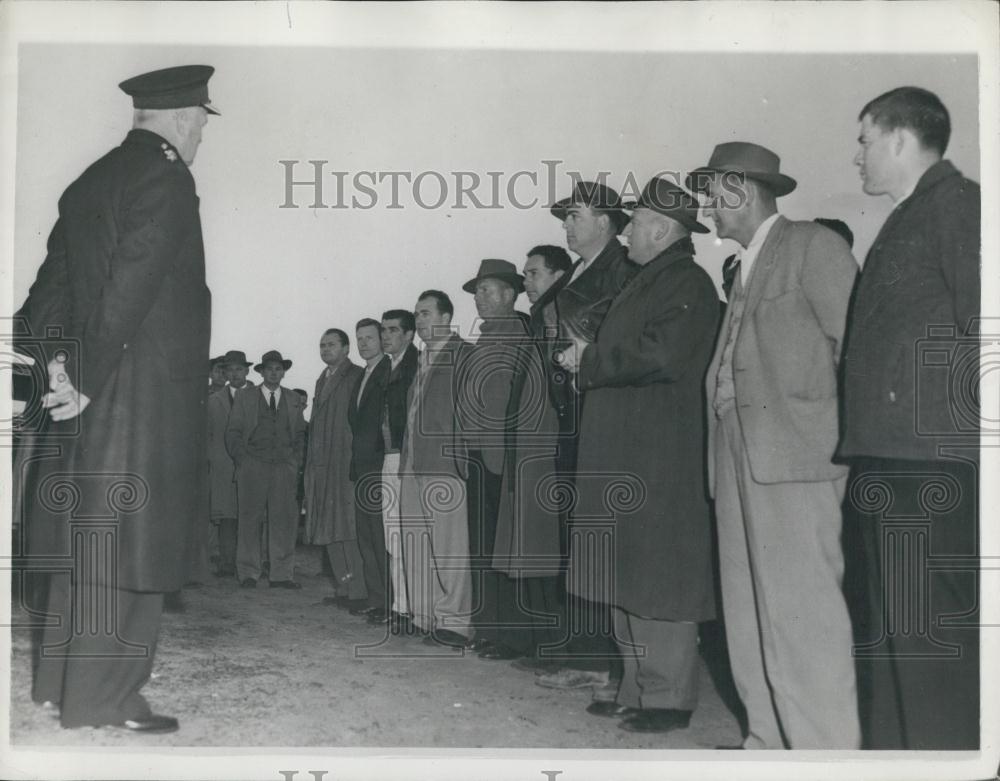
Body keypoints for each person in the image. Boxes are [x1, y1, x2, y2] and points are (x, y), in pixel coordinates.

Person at [16, 64, 218, 733]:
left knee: (80, 543)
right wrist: (90, 377)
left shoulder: (90, 181)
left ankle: (58, 688)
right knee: (132, 547)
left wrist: (54, 372)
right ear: (187, 118)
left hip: (82, 394)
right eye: (200, 126)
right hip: (135, 398)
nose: (199, 139)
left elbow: (45, 297)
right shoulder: (166, 177)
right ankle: (106, 699)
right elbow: (131, 285)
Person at [687, 142, 860, 749]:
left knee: (804, 616)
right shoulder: (745, 266)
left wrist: (836, 448)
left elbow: (854, 353)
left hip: (796, 461)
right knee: (747, 610)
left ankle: (823, 752)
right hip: (735, 456)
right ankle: (767, 743)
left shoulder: (814, 245)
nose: (706, 205)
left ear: (745, 188)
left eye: (713, 191)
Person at [839, 87, 980, 750]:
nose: (857, 154)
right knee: (893, 631)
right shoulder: (911, 213)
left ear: (899, 139)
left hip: (927, 457)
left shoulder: (956, 204)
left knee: (926, 637)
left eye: (864, 138)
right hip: (892, 454)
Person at [558, 177, 719, 734]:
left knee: (658, 577)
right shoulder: (653, 279)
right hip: (628, 451)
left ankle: (668, 698)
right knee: (626, 573)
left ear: (660, 228)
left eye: (634, 223)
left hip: (657, 457)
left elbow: (663, 354)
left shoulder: (687, 282)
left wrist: (590, 360)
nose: (625, 232)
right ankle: (636, 687)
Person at [536, 181, 636, 699]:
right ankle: (584, 652)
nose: (566, 225)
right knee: (576, 537)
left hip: (600, 412)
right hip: (569, 415)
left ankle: (605, 662)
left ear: (606, 221)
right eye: (565, 217)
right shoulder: (577, 273)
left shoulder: (625, 270)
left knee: (597, 538)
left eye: (575, 215)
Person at [496, 245, 572, 674]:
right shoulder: (538, 325)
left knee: (548, 556)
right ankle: (541, 645)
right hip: (527, 453)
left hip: (547, 453)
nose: (526, 281)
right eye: (524, 274)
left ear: (559, 276)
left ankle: (555, 648)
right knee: (532, 555)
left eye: (534, 273)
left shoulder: (558, 319)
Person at [457, 259, 530, 659]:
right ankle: (487, 628)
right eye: (477, 293)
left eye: (486, 291)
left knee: (507, 551)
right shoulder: (485, 338)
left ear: (509, 294)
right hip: (478, 457)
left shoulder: (519, 334)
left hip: (504, 461)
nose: (479, 299)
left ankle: (512, 636)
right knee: (482, 549)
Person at [399, 290, 473, 648]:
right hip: (413, 465)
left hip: (445, 465)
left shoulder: (464, 354)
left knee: (449, 549)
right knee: (417, 544)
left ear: (446, 317)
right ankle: (423, 615)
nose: (420, 321)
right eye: (417, 315)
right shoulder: (422, 359)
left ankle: (456, 622)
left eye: (426, 314)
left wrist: (460, 458)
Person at [226, 350, 307, 589]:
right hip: (253, 465)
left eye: (278, 368)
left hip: (284, 467)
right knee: (250, 518)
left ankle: (281, 574)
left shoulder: (293, 398)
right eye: (269, 368)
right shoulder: (246, 397)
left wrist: (295, 461)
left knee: (283, 520)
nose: (274, 373)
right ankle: (249, 572)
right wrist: (243, 460)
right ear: (261, 372)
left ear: (283, 372)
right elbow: (233, 432)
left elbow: (301, 433)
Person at [302, 329, 366, 605]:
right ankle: (344, 587)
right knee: (329, 527)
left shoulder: (355, 376)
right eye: (321, 345)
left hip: (343, 463)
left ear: (346, 348)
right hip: (322, 464)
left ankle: (359, 591)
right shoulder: (322, 379)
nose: (325, 349)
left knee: (347, 528)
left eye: (331, 345)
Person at [374, 309, 420, 630]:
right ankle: (399, 606)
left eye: (392, 330)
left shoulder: (417, 365)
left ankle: (413, 608)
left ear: (408, 335)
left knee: (408, 535)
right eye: (384, 330)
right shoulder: (385, 368)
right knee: (393, 534)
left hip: (409, 458)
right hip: (388, 458)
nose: (385, 336)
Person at [344, 319, 390, 616]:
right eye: (359, 338)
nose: (363, 344)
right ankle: (376, 600)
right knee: (367, 538)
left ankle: (390, 602)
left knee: (381, 537)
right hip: (362, 468)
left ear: (382, 339)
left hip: (379, 466)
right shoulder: (363, 375)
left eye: (369, 338)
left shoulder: (388, 371)